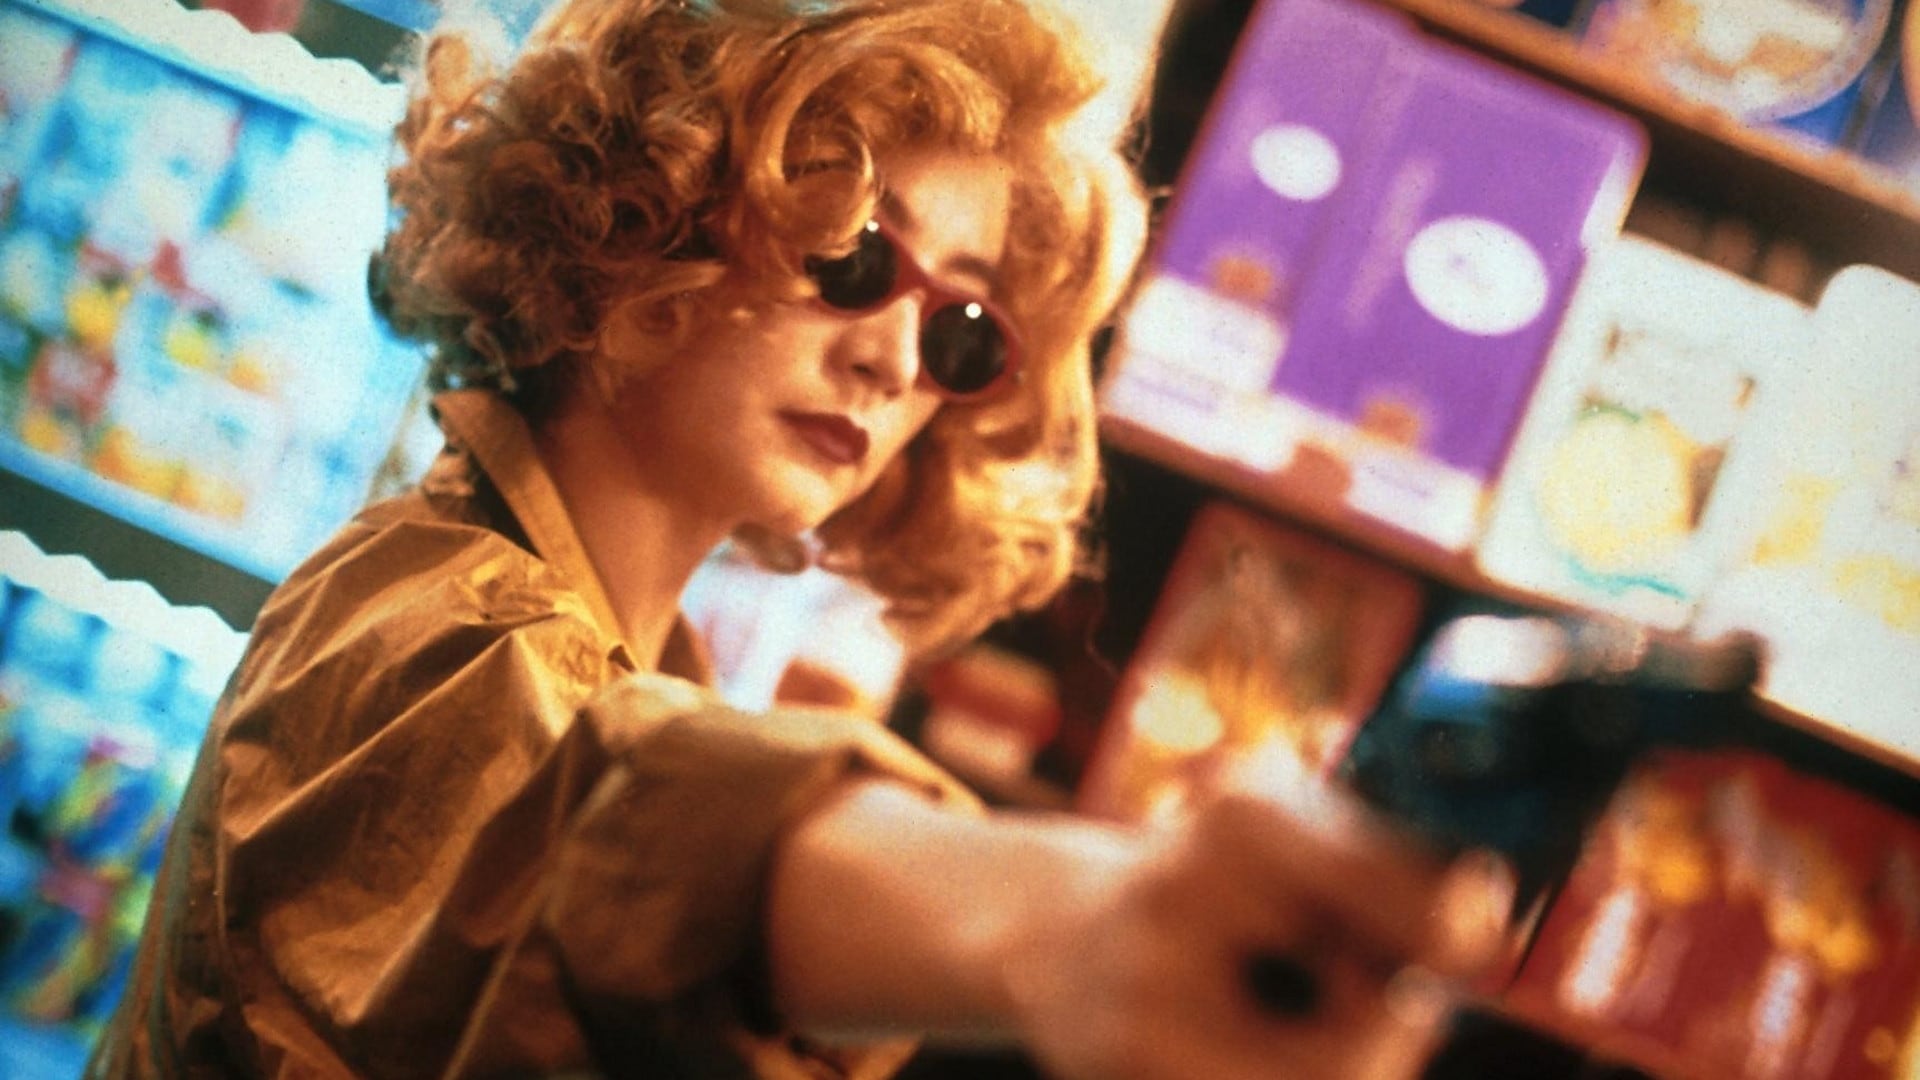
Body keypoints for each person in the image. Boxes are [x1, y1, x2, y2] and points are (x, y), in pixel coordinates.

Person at [87, 0, 1516, 1077]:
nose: (896, 358)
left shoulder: (636, 650)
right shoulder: (418, 614)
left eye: (962, 329)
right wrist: (1075, 921)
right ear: (649, 206)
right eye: (854, 256)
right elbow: (606, 824)